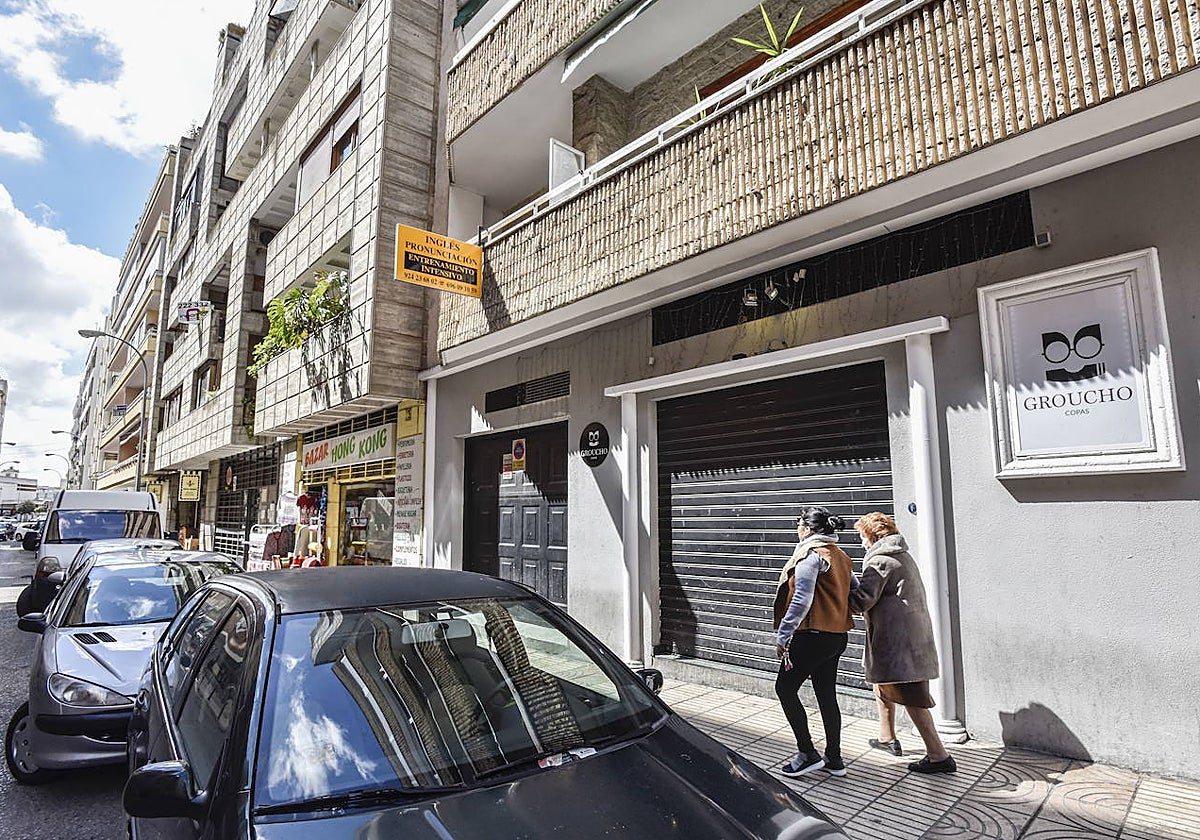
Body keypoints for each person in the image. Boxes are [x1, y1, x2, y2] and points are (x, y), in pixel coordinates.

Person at [849, 512, 956, 774]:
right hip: (909, 637)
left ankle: (938, 755)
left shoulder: (881, 560)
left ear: (872, 535)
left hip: (898, 642)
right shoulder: (902, 554)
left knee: (913, 699)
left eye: (863, 536)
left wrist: (846, 583)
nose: (861, 542)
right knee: (882, 684)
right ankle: (887, 737)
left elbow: (861, 600)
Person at [772, 506, 854, 778]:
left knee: (784, 688)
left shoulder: (811, 556)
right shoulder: (842, 557)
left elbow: (801, 600)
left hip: (812, 637)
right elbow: (854, 591)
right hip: (836, 637)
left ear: (807, 529)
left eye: (798, 526)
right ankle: (834, 758)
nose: (797, 531)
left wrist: (783, 635)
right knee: (826, 694)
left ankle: (807, 753)